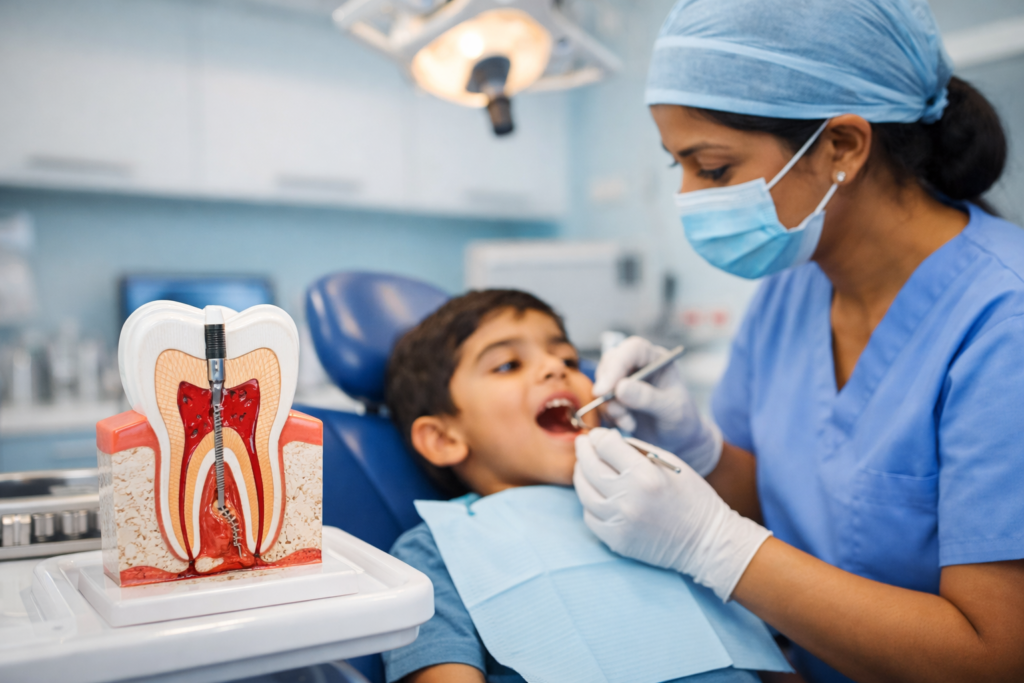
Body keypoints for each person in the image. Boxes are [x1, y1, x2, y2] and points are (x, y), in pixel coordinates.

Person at [572, 0, 1024, 681]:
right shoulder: (791, 291)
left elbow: (995, 655)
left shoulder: (1004, 319)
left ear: (842, 147)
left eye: (714, 168)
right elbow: (784, 499)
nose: (689, 196)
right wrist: (703, 448)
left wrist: (715, 544)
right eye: (680, 167)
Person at [381, 289, 775, 683]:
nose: (556, 368)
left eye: (568, 358)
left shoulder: (666, 511)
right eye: (507, 365)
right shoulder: (435, 550)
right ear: (443, 439)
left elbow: (762, 648)